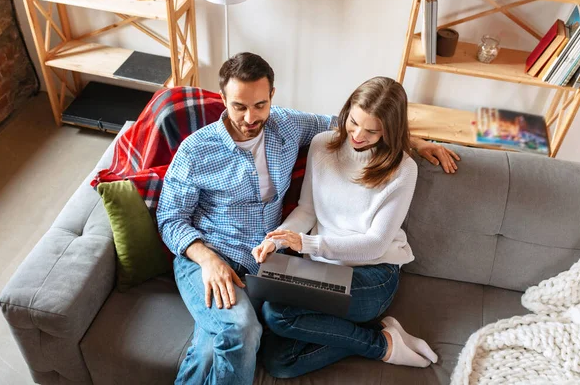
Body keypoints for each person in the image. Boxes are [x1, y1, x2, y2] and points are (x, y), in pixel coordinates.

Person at [157, 53, 458, 385]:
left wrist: (407, 140)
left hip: (269, 263)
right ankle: (378, 341)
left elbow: (348, 126)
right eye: (239, 106)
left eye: (260, 105)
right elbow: (170, 217)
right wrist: (208, 259)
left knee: (220, 346)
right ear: (222, 99)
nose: (250, 117)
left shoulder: (288, 126)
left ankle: (379, 343)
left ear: (273, 95)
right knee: (240, 330)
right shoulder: (196, 150)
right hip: (208, 256)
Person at [252, 76, 438, 378]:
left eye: (372, 130)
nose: (358, 135)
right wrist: (278, 239)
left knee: (278, 314)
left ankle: (377, 341)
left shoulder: (404, 169)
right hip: (321, 268)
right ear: (347, 110)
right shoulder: (322, 145)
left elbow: (376, 243)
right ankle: (381, 340)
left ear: (389, 130)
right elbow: (307, 211)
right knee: (278, 362)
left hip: (373, 273)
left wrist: (308, 245)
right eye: (353, 122)